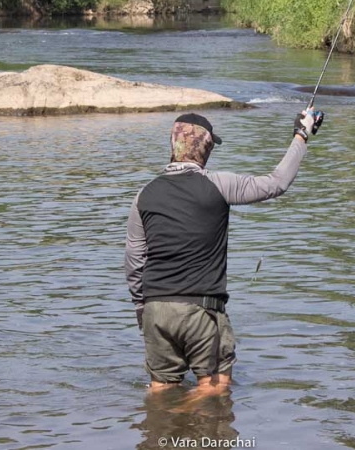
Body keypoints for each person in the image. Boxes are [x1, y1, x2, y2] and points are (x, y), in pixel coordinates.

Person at [124, 109, 323, 393]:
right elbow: (276, 183)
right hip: (201, 312)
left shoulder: (143, 195)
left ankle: (163, 433)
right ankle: (189, 416)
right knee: (214, 393)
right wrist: (301, 136)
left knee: (160, 395)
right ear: (204, 149)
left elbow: (134, 263)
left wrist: (143, 309)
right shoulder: (219, 185)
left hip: (156, 310)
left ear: (174, 145)